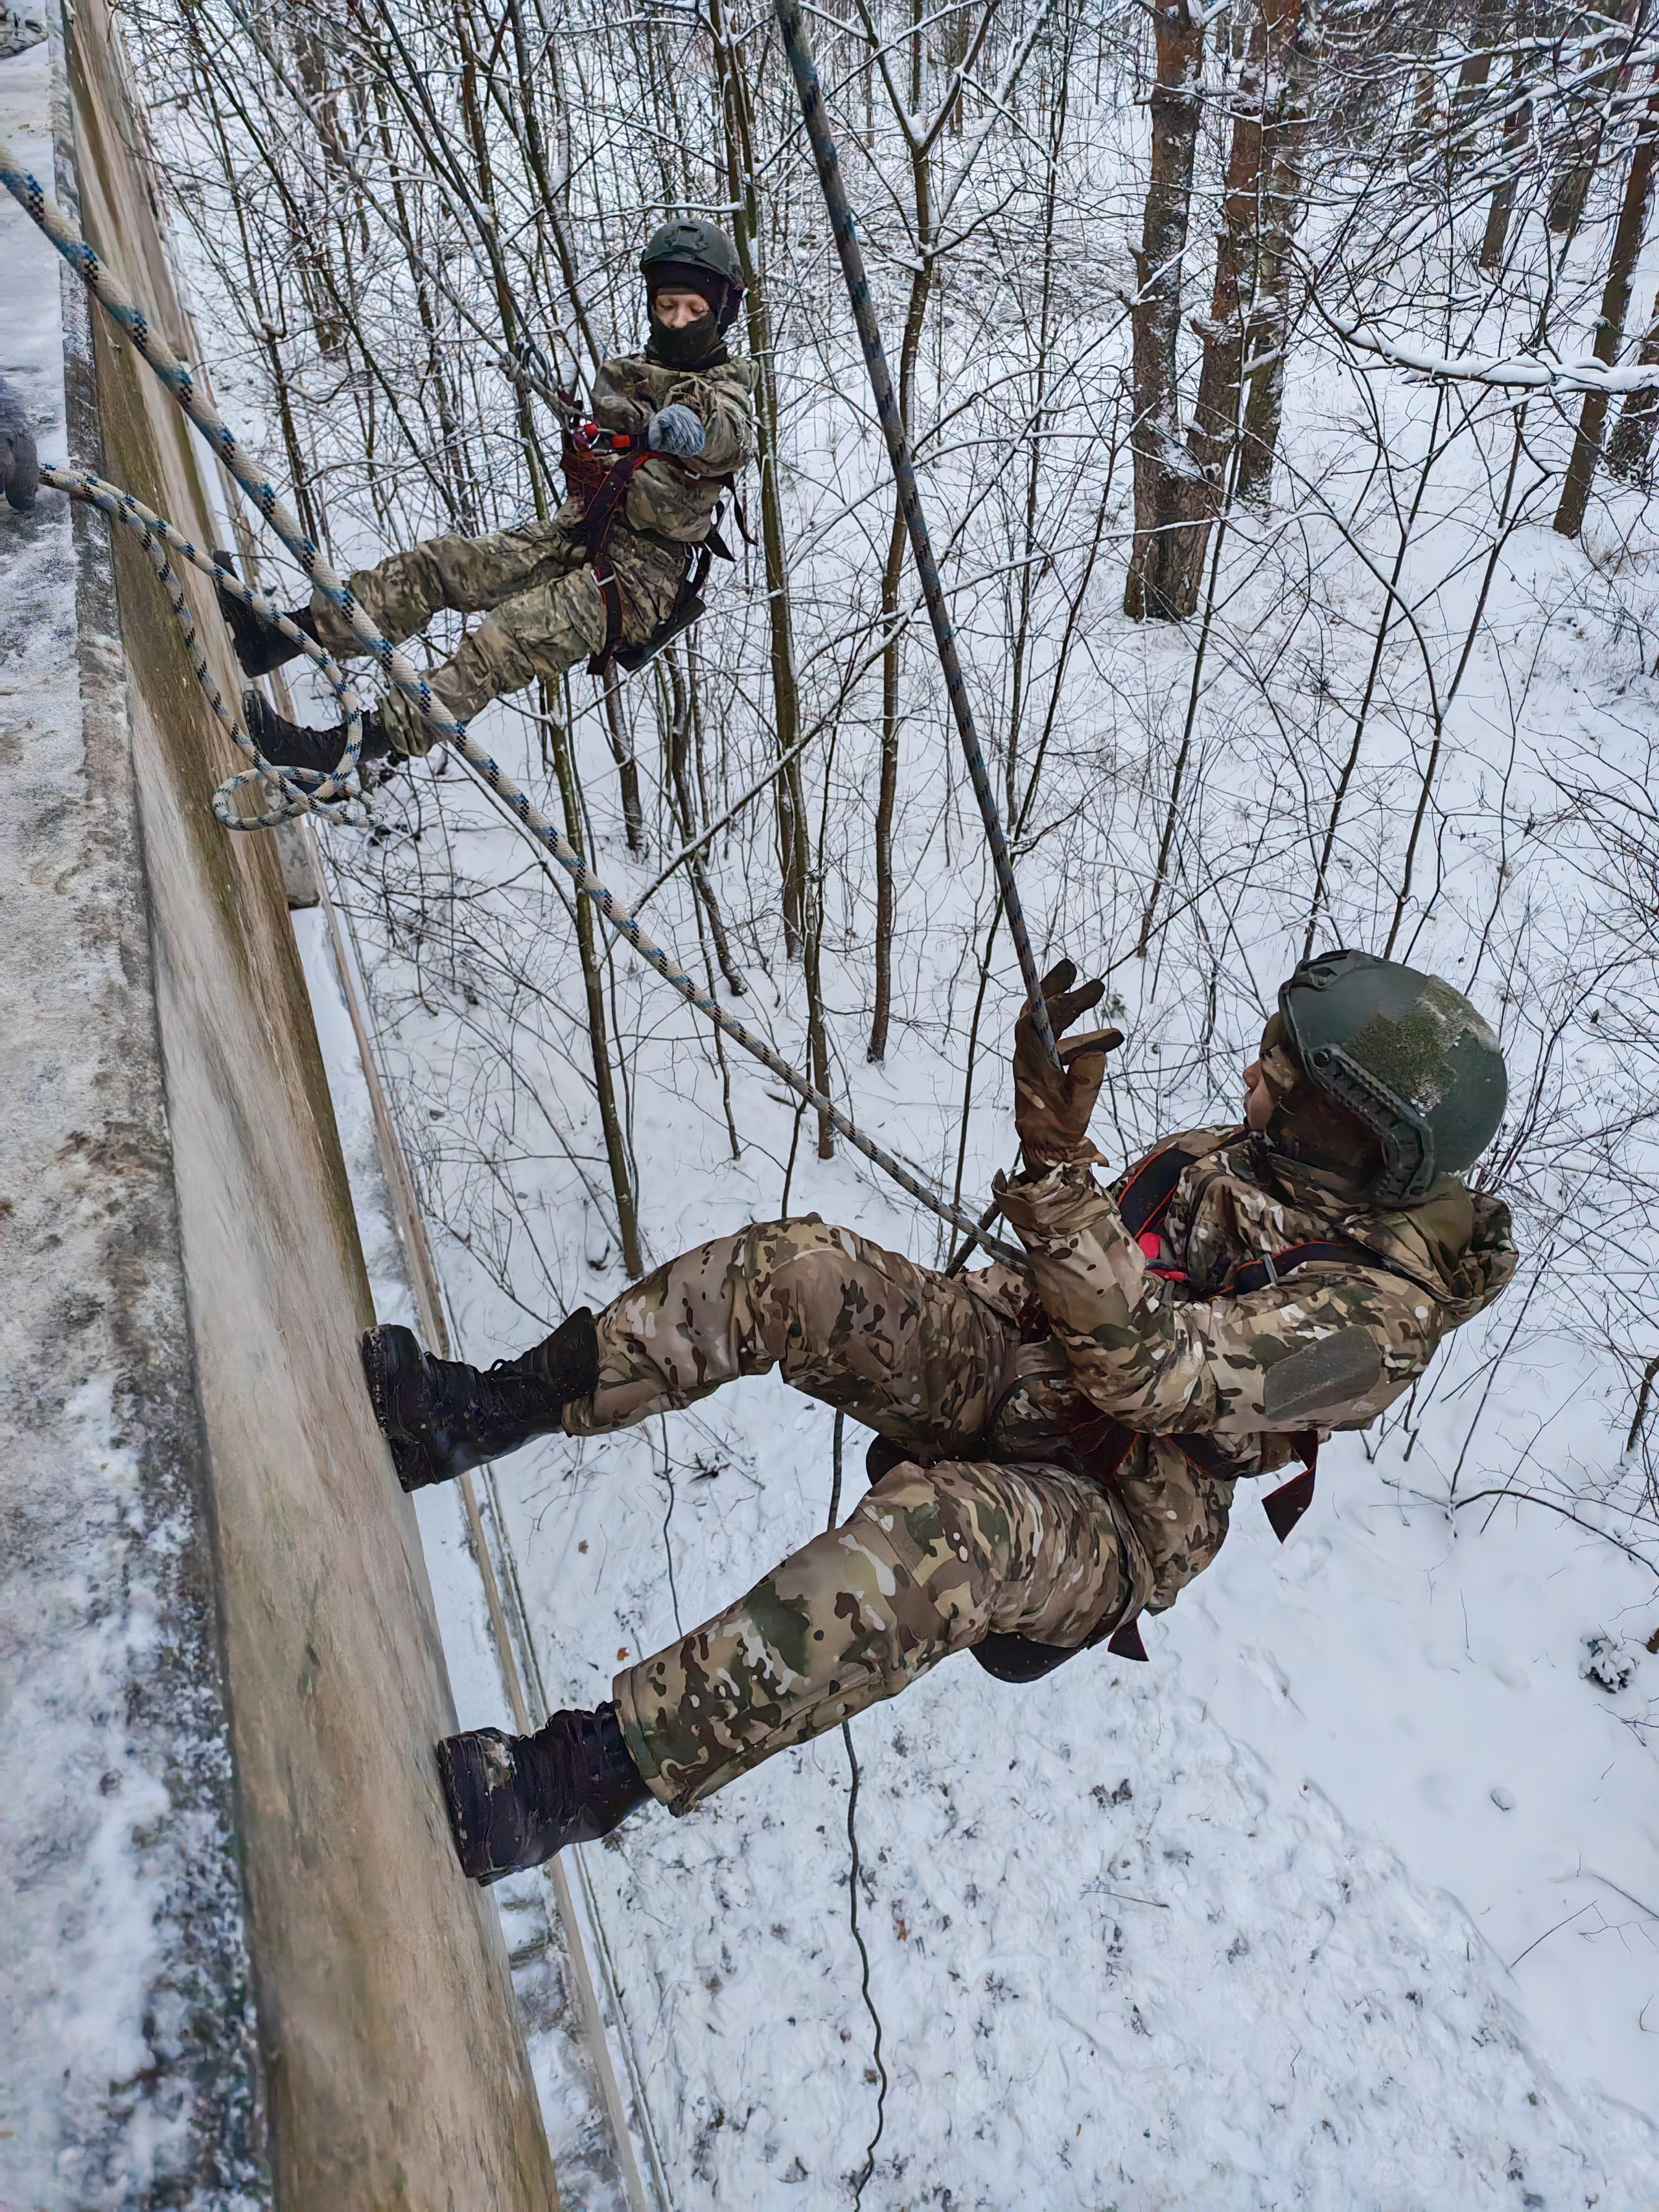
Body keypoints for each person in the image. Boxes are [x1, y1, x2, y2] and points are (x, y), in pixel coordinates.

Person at [361, 950, 1515, 1884]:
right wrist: (948, 1309)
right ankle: (471, 1417)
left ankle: (562, 1787)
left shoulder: (1374, 1322)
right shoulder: (1236, 1156)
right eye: (1271, 1042)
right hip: (1025, 1364)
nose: (1257, 1070)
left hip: (1113, 1506)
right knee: (800, 1271)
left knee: (938, 1538)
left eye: (1289, 1072)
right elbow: (1085, 1276)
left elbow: (1155, 1373)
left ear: (1360, 1134)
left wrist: (1057, 1172)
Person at [222, 218, 756, 771]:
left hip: (636, 582)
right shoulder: (631, 373)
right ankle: (278, 639)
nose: (678, 321)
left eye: (694, 310)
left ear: (721, 312)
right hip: (581, 534)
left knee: (504, 641)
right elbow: (609, 445)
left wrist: (695, 429)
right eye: (667, 306)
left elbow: (730, 434)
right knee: (444, 565)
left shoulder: (726, 391)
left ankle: (339, 753)